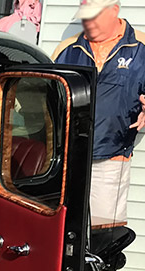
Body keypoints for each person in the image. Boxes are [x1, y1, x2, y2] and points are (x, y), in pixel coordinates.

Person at [53, 0, 145, 231]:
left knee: (103, 235)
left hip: (112, 159)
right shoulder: (67, 50)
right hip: (68, 158)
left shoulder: (141, 47)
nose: (88, 22)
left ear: (114, 10)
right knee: (65, 231)